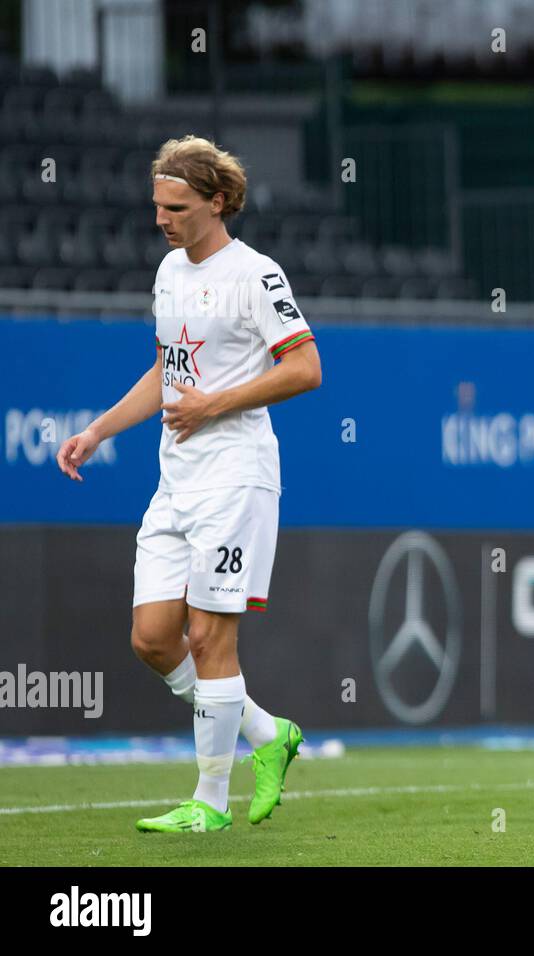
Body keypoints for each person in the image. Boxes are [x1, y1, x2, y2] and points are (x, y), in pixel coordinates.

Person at [56, 135, 322, 833]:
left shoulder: (257, 275)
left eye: (175, 206)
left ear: (217, 201)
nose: (161, 219)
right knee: (152, 638)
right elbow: (165, 370)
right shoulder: (170, 271)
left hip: (236, 476)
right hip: (175, 481)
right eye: (157, 205)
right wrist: (101, 430)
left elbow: (306, 369)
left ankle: (209, 801)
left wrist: (213, 405)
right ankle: (270, 735)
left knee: (208, 637)